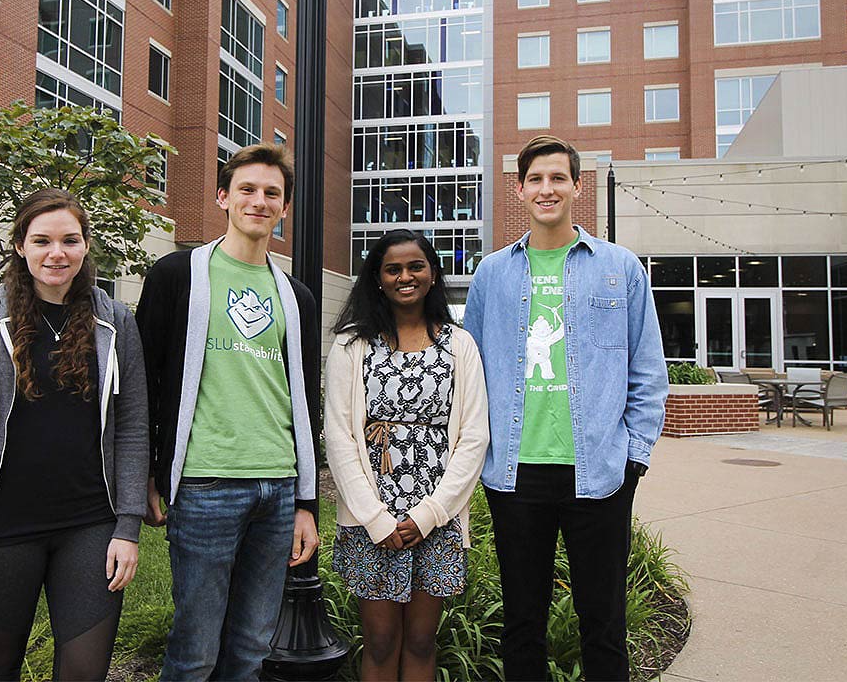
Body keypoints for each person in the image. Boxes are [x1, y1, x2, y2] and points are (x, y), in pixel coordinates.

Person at [464, 135, 668, 682]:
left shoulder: (620, 268)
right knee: (521, 623)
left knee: (604, 623)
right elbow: (469, 369)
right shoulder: (492, 275)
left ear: (578, 186)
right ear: (521, 190)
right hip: (514, 474)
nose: (546, 188)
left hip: (599, 472)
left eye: (558, 178)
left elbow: (648, 369)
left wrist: (635, 459)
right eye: (535, 179)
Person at [0, 188, 149, 681]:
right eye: (42, 240)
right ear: (20, 247)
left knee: (84, 672)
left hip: (90, 524)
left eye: (70, 240)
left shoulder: (114, 322)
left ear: (86, 246)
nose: (57, 253)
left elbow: (133, 429)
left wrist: (128, 526)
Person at [135, 143, 321, 681]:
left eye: (272, 193)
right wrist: (150, 472)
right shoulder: (177, 276)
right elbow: (145, 378)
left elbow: (304, 399)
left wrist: (306, 502)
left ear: (284, 207)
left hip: (277, 489)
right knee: (194, 651)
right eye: (247, 189)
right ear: (223, 196)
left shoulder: (297, 297)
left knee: (251, 650)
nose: (259, 201)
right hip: (203, 486)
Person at [324, 229, 489, 682]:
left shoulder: (460, 345)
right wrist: (377, 520)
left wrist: (431, 514)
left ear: (433, 273)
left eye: (415, 266)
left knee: (420, 640)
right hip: (370, 517)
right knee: (379, 642)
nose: (405, 276)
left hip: (436, 515)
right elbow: (338, 435)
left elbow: (474, 437)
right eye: (392, 269)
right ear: (377, 278)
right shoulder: (351, 344)